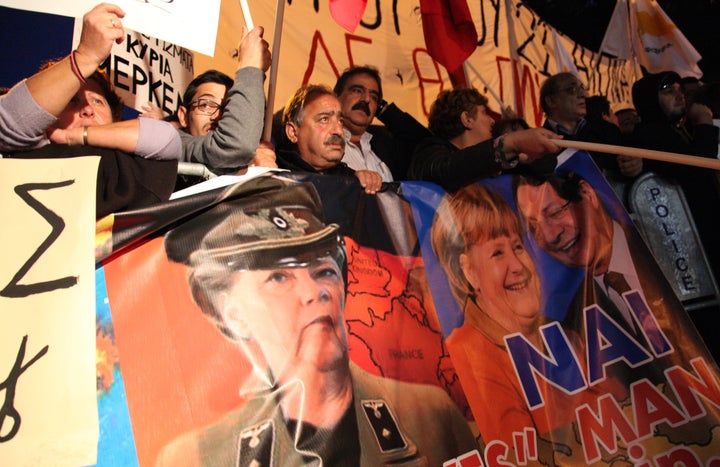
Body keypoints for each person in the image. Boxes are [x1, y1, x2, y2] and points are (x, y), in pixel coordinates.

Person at [157, 176, 479, 466]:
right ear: (232, 315)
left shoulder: (430, 414)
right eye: (279, 277)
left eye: (323, 271)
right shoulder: (197, 458)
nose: (315, 291)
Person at [430, 183, 603, 464]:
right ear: (468, 271)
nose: (518, 266)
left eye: (518, 247)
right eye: (497, 253)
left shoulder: (565, 337)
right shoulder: (467, 353)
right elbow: (517, 455)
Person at [0, 3, 180, 218]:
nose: (87, 110)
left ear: (116, 117)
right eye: (73, 102)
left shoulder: (131, 163)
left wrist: (72, 135)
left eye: (97, 101)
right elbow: (9, 119)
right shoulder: (30, 147)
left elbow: (165, 138)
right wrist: (85, 57)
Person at [629, 70, 720, 284]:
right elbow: (695, 169)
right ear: (651, 101)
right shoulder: (649, 135)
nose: (679, 96)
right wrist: (706, 124)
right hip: (690, 241)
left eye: (679, 91)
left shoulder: (682, 128)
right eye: (669, 92)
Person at [407, 88, 561, 192]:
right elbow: (446, 171)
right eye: (484, 113)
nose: (492, 121)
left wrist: (526, 158)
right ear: (467, 119)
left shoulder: (497, 164)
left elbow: (546, 169)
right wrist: (511, 143)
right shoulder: (429, 152)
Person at [176, 27, 277, 174]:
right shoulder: (169, 144)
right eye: (206, 105)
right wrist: (250, 66)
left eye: (228, 108)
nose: (217, 116)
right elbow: (236, 144)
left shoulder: (249, 159)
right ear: (183, 116)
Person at [278, 84, 383, 195]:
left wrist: (362, 182)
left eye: (341, 121)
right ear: (293, 132)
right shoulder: (271, 178)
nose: (338, 131)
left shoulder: (351, 181)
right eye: (324, 119)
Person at [333, 65, 432, 181]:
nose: (366, 99)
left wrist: (384, 110)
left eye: (374, 97)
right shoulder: (321, 142)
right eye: (357, 90)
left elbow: (427, 143)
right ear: (336, 96)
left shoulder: (384, 147)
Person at [540, 72, 642, 179]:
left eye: (582, 88)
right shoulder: (539, 144)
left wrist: (633, 165)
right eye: (571, 89)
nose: (582, 95)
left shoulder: (606, 131)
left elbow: (625, 166)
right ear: (551, 101)